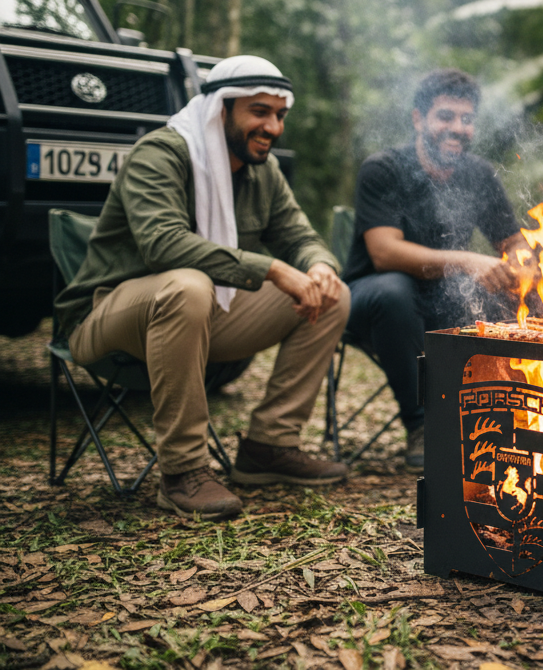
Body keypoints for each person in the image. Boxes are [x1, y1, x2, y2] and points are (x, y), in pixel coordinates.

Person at [56, 55, 350, 521]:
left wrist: (319, 266)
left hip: (202, 315)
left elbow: (299, 235)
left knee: (332, 295)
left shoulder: (262, 170)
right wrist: (273, 269)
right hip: (105, 314)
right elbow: (162, 244)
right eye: (259, 112)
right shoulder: (161, 153)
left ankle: (268, 447)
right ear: (222, 109)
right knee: (189, 286)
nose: (272, 127)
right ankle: (183, 471)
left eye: (279, 115)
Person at [342, 69, 538, 470]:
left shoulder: (479, 174)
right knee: (395, 290)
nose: (458, 128)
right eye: (445, 116)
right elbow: (384, 253)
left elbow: (512, 240)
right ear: (419, 119)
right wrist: (467, 260)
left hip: (443, 299)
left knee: (514, 290)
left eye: (467, 119)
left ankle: (512, 416)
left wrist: (523, 265)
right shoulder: (384, 169)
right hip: (373, 300)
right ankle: (421, 424)